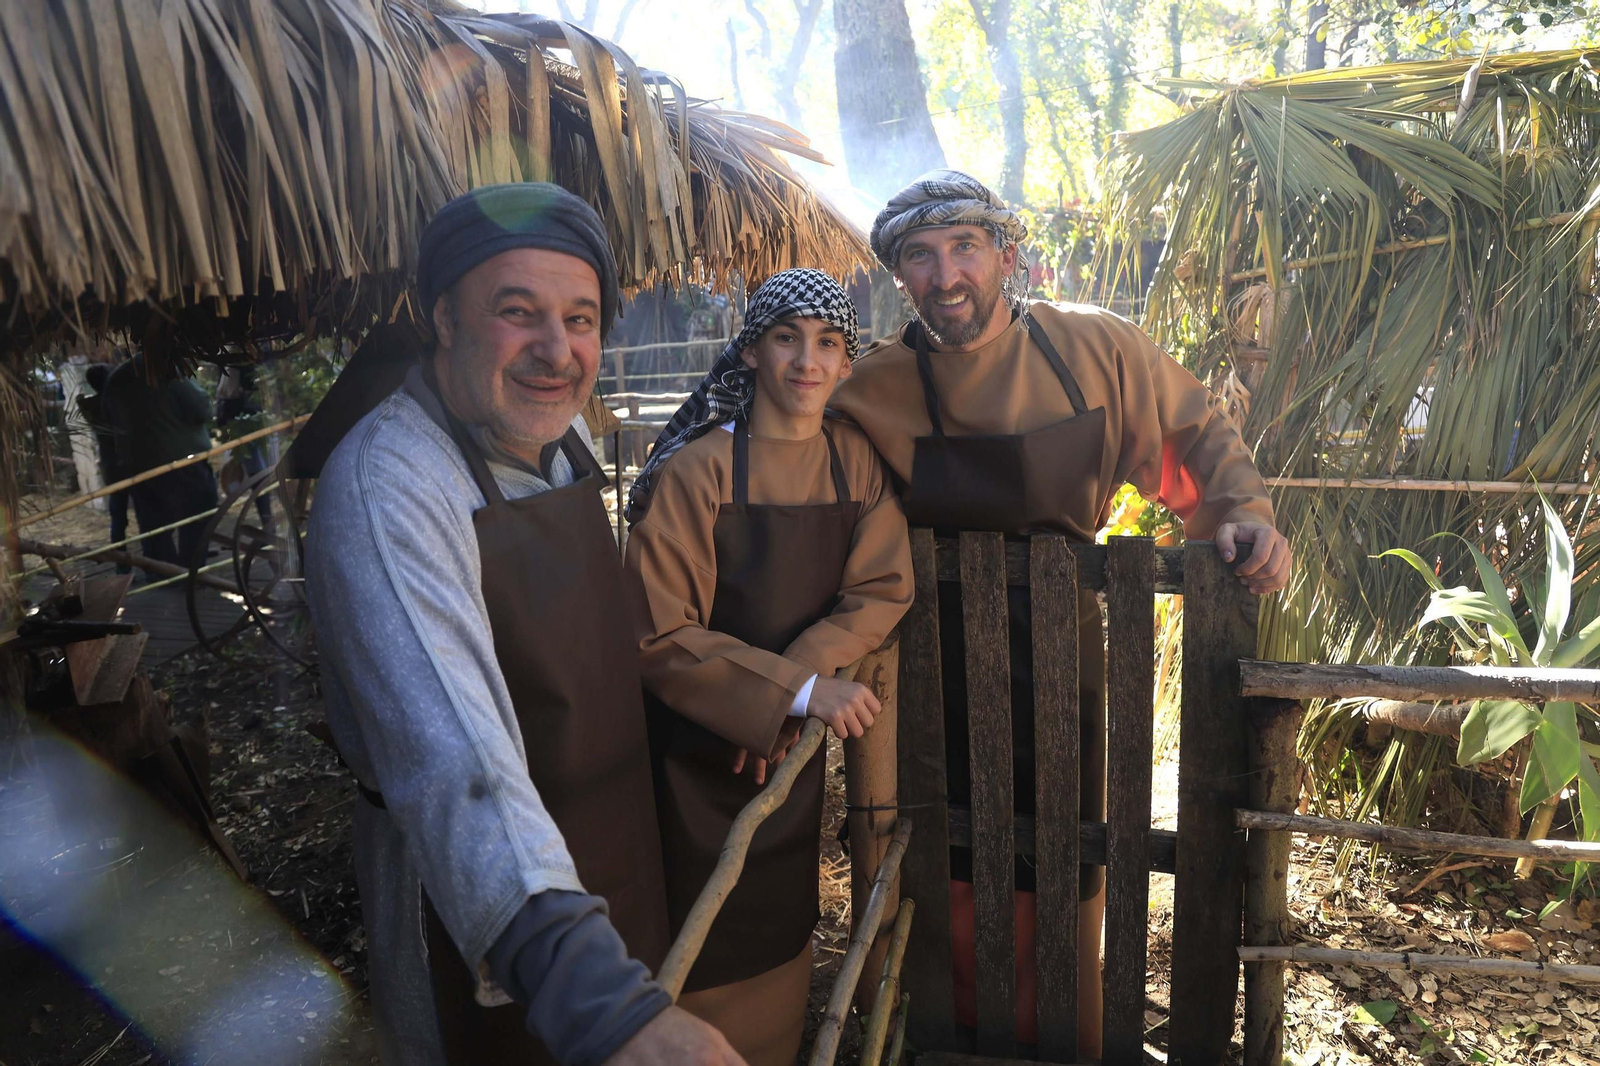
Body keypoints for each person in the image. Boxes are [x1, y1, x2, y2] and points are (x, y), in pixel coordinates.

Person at [650, 170, 1291, 1057]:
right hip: (921, 660)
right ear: (898, 277)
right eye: (920, 256)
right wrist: (777, 679)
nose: (945, 274)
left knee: (1064, 853)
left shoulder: (1098, 351)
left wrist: (1244, 518)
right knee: (934, 852)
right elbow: (779, 461)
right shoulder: (869, 383)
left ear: (1008, 255)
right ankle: (941, 1034)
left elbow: (1192, 439)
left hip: (1067, 652)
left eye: (965, 248)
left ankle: (1060, 1032)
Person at [303, 183, 744, 1066]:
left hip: (602, 834)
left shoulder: (561, 442)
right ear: (443, 318)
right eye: (518, 312)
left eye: (581, 319)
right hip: (479, 897)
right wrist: (599, 999)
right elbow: (451, 759)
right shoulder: (389, 486)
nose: (556, 350)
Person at [625, 270, 912, 1065]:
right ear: (750, 351)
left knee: (778, 918)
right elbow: (655, 631)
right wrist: (788, 694)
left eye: (827, 344)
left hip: (784, 750)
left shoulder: (855, 463)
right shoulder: (698, 473)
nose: (806, 362)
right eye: (786, 339)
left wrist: (793, 687)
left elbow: (881, 587)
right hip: (690, 748)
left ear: (848, 363)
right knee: (687, 923)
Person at [99, 351, 220, 570]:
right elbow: (200, 408)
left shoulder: (117, 378)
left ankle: (161, 571)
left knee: (153, 521)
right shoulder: (165, 368)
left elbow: (107, 423)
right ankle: (192, 568)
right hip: (181, 460)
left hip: (137, 464)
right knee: (198, 511)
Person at [77, 362, 131, 574]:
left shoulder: (90, 405)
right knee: (147, 512)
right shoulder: (114, 404)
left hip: (111, 465)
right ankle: (154, 561)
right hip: (127, 462)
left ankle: (121, 566)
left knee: (118, 517)